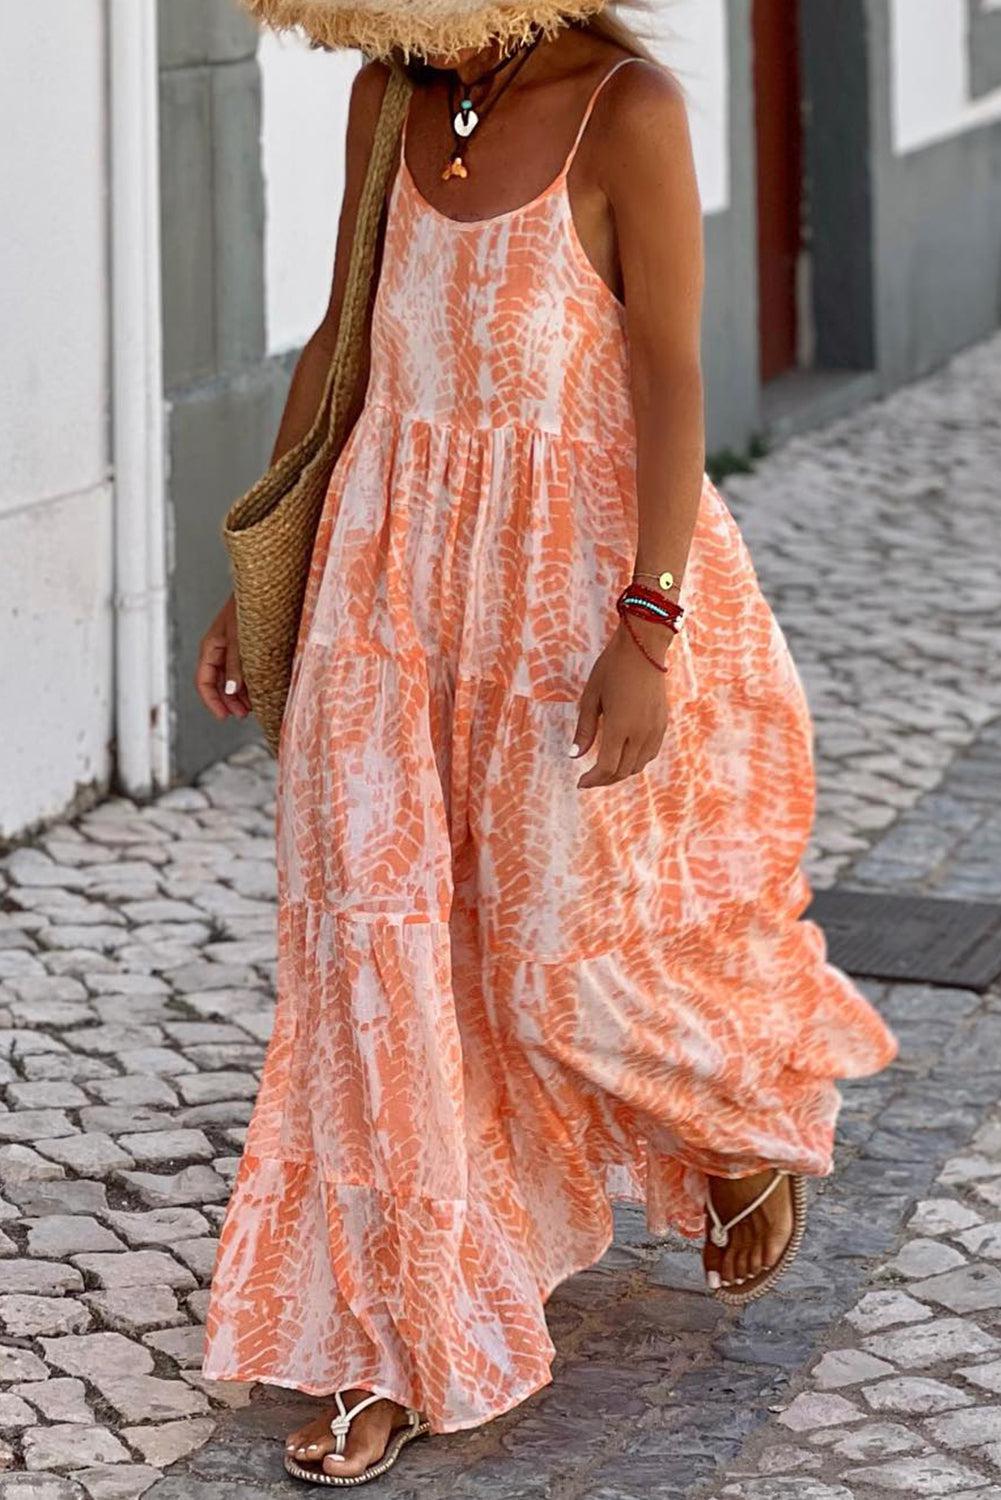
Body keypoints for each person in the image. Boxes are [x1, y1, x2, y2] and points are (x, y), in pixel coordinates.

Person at [196, 1, 898, 1485]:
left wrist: (646, 623)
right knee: (374, 955)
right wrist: (259, 564)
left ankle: (732, 1116)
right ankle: (390, 1342)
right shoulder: (389, 101)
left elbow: (670, 376)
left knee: (553, 953)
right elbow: (341, 333)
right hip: (384, 575)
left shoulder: (624, 107)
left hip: (560, 578)